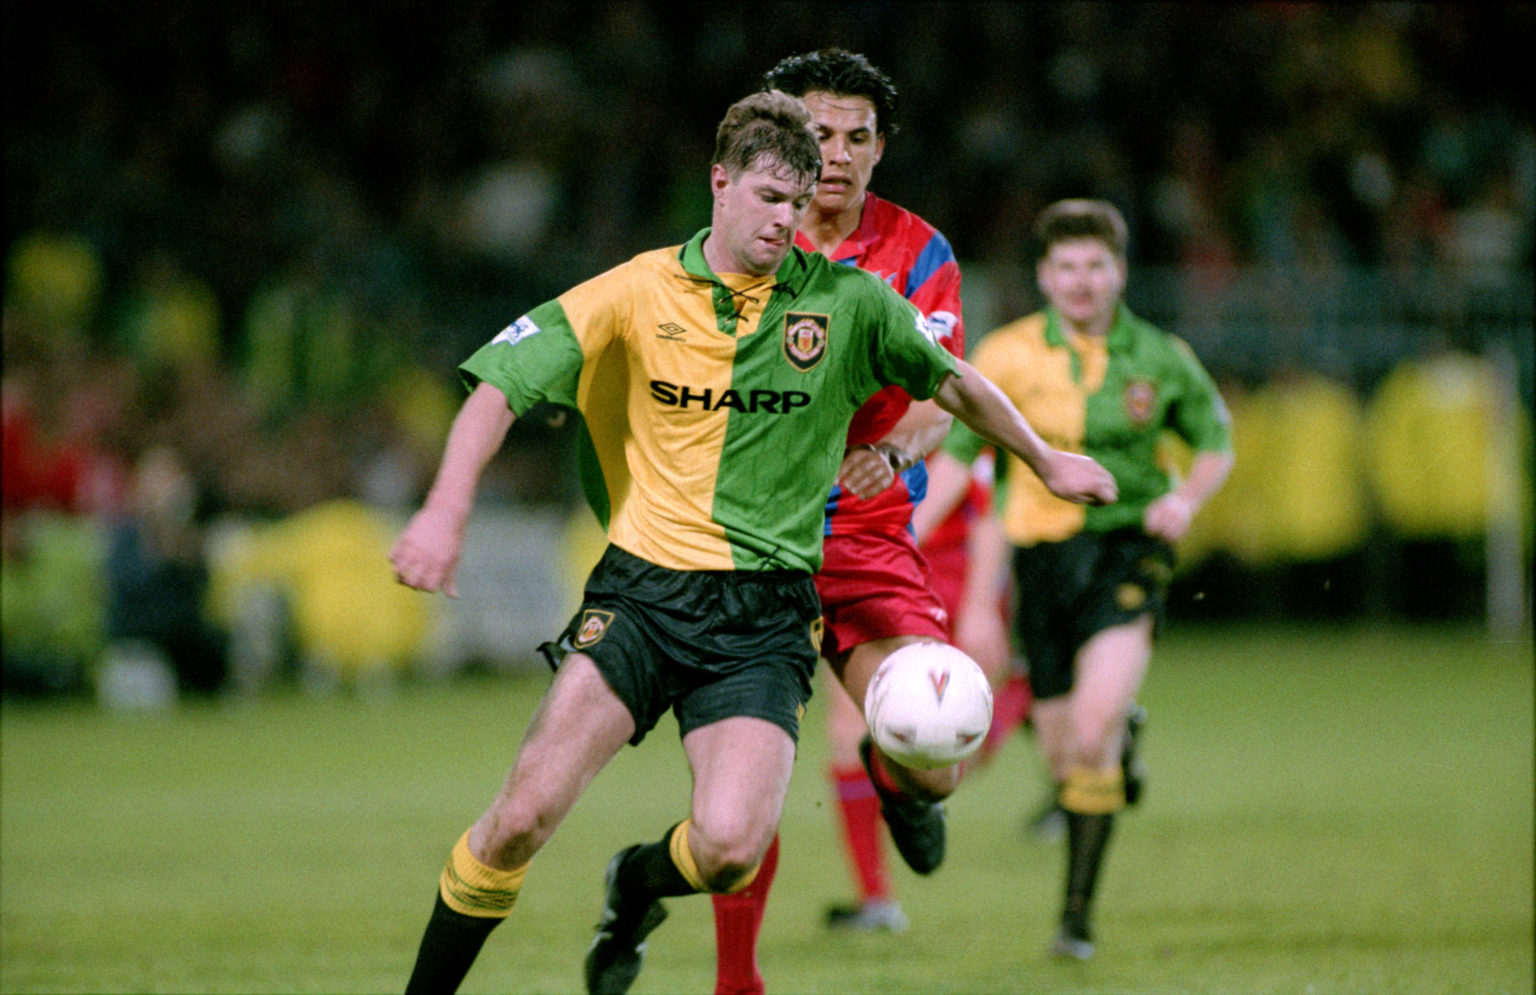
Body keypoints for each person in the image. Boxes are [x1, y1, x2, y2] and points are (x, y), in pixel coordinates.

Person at [389, 91, 1117, 995]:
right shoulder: (634, 288)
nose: (785, 220)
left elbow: (958, 385)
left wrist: (1046, 459)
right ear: (720, 183)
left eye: (799, 200)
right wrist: (443, 512)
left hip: (767, 616)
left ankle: (637, 881)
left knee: (731, 848)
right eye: (769, 197)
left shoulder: (849, 303)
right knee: (518, 821)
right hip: (642, 598)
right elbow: (498, 387)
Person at [706, 48, 981, 995]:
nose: (838, 154)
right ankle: (736, 979)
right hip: (753, 542)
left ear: (881, 148)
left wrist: (897, 446)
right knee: (745, 789)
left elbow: (942, 394)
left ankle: (894, 763)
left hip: (866, 534)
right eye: (820, 133)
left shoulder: (921, 252)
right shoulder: (745, 244)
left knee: (939, 746)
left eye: (858, 137)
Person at [928, 198, 1233, 960]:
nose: (1082, 281)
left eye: (1096, 265)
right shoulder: (1005, 355)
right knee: (1066, 756)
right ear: (1043, 275)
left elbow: (1214, 440)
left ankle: (1075, 920)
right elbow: (960, 466)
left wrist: (1183, 497)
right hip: (1042, 566)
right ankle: (1118, 739)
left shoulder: (1159, 356)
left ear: (1119, 271)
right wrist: (901, 543)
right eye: (1066, 267)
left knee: (1088, 734)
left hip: (1124, 555)